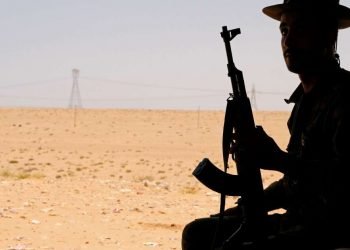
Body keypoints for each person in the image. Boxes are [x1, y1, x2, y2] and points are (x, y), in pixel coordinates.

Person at [182, 0, 350, 249]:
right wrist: (248, 206)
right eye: (284, 31)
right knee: (199, 233)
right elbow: (295, 184)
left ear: (327, 35)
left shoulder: (344, 98)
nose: (288, 41)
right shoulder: (304, 102)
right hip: (301, 222)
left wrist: (278, 160)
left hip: (334, 230)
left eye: (300, 29)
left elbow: (343, 181)